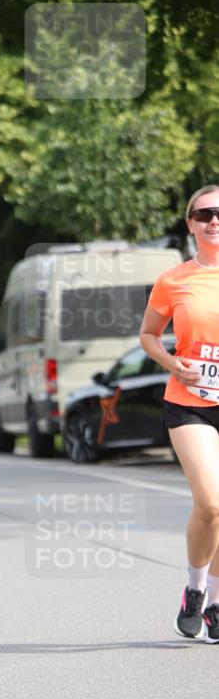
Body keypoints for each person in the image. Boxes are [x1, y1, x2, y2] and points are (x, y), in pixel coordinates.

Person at [140, 184, 219, 644]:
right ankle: (193, 589)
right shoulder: (174, 279)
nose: (214, 221)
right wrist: (171, 362)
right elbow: (149, 334)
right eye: (204, 213)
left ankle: (215, 601)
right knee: (211, 503)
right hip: (190, 401)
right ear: (190, 223)